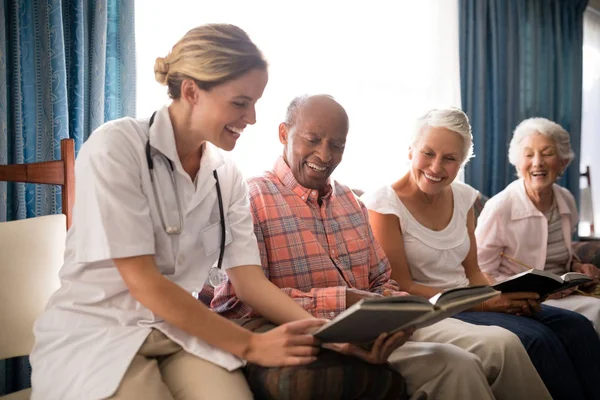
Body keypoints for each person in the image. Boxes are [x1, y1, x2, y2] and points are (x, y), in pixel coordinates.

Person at [29, 24, 332, 400]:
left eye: (255, 103)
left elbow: (249, 281)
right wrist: (252, 347)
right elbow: (144, 282)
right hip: (97, 332)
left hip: (177, 330)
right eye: (240, 102)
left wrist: (330, 335)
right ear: (191, 91)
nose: (252, 117)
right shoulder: (116, 148)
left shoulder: (227, 176)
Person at [211, 95, 552, 400]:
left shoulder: (348, 200)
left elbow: (383, 281)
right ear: (284, 134)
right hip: (308, 329)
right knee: (458, 365)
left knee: (487, 352)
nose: (325, 155)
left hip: (377, 330)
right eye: (312, 140)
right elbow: (237, 303)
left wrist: (397, 315)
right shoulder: (250, 198)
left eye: (337, 145)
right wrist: (343, 300)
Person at [363, 108, 600, 400]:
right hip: (437, 311)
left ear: (462, 162)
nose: (437, 167)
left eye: (450, 158)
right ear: (410, 150)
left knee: (575, 326)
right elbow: (403, 287)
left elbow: (473, 271)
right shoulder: (383, 204)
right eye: (428, 153)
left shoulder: (464, 197)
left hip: (472, 298)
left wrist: (505, 298)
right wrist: (486, 303)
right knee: (535, 340)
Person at [475, 117, 600, 334]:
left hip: (565, 295)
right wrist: (506, 299)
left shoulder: (566, 199)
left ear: (562, 162)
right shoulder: (500, 207)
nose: (537, 162)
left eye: (547, 153)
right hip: (525, 302)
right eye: (529, 154)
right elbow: (479, 270)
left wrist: (577, 267)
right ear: (518, 162)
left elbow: (561, 252)